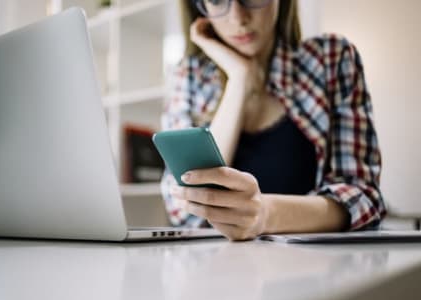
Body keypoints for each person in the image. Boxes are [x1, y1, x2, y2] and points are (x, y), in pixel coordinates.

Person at [160, 0, 386, 241]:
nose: (238, 19)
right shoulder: (191, 75)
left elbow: (363, 199)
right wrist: (239, 77)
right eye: (216, 0)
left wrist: (265, 214)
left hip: (317, 268)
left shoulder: (331, 58)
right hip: (218, 266)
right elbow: (182, 209)